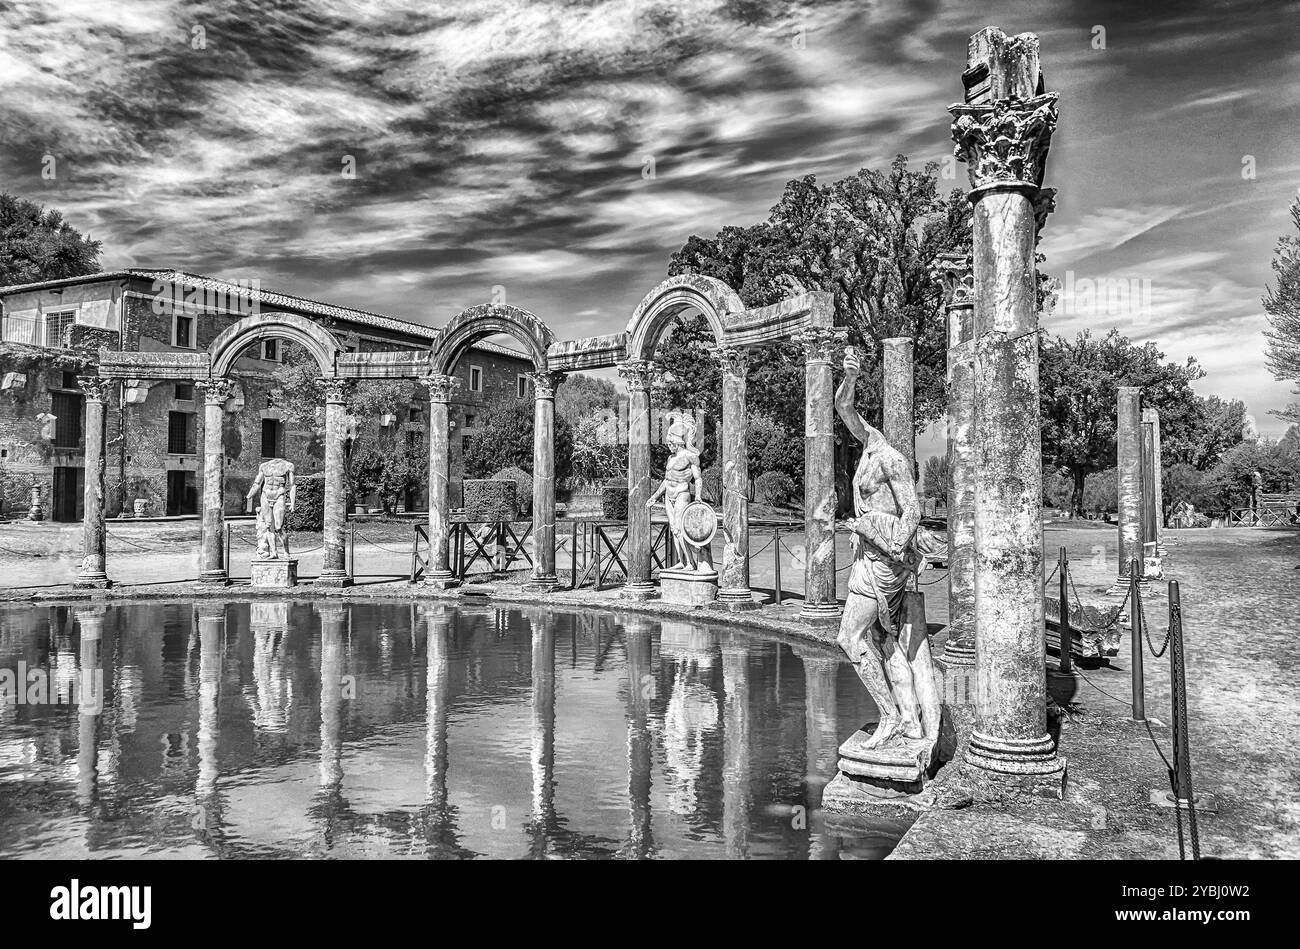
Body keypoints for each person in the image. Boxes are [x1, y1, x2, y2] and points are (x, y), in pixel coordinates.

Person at [833, 346, 939, 752]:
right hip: (869, 556)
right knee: (883, 640)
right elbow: (844, 408)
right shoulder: (870, 444)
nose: (855, 428)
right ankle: (909, 717)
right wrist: (852, 378)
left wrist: (888, 543)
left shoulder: (892, 460)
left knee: (849, 637)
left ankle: (890, 715)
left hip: (883, 562)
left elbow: (912, 509)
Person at [647, 415, 711, 572]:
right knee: (674, 529)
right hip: (669, 496)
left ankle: (691, 563)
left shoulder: (690, 456)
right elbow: (666, 480)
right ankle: (683, 562)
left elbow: (698, 478)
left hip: (682, 493)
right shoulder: (670, 457)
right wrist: (655, 497)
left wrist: (697, 496)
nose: (669, 446)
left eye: (671, 443)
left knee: (680, 528)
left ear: (678, 441)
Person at [247, 458, 297, 559]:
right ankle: (274, 553)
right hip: (265, 496)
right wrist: (249, 496)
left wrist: (292, 502)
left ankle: (286, 552)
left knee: (279, 527)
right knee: (269, 526)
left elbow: (292, 485)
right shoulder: (264, 466)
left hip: (279, 496)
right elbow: (257, 483)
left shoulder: (288, 466)